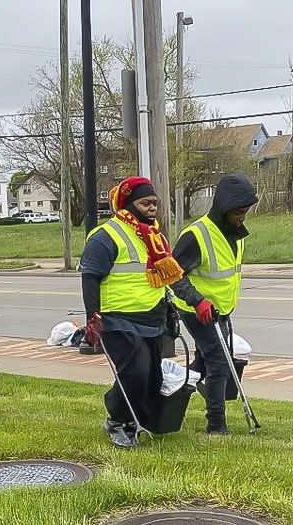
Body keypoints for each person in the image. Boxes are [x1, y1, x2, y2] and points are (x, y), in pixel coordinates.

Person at [80, 177, 185, 448]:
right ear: (128, 204)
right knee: (135, 373)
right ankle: (119, 421)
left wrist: (169, 307)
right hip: (117, 318)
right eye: (145, 203)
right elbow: (90, 277)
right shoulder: (105, 236)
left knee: (152, 377)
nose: (152, 208)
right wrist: (93, 317)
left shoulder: (155, 237)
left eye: (155, 203)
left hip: (151, 317)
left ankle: (135, 416)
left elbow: (160, 277)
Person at [171, 174, 259, 435]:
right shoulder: (196, 235)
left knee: (204, 363)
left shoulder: (235, 234)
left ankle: (170, 392)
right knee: (219, 362)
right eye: (238, 212)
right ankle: (216, 425)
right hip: (197, 311)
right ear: (223, 208)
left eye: (245, 212)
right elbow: (172, 274)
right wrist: (197, 301)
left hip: (221, 310)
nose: (242, 217)